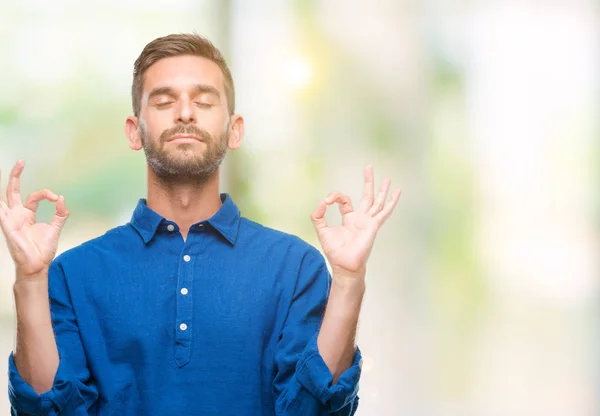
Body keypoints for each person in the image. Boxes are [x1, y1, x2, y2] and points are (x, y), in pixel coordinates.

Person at [2, 33, 400, 415]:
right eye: (164, 101)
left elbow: (313, 410)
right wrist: (31, 279)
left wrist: (349, 279)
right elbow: (47, 410)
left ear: (234, 129)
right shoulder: (74, 274)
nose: (186, 112)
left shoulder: (296, 266)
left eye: (204, 101)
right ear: (134, 131)